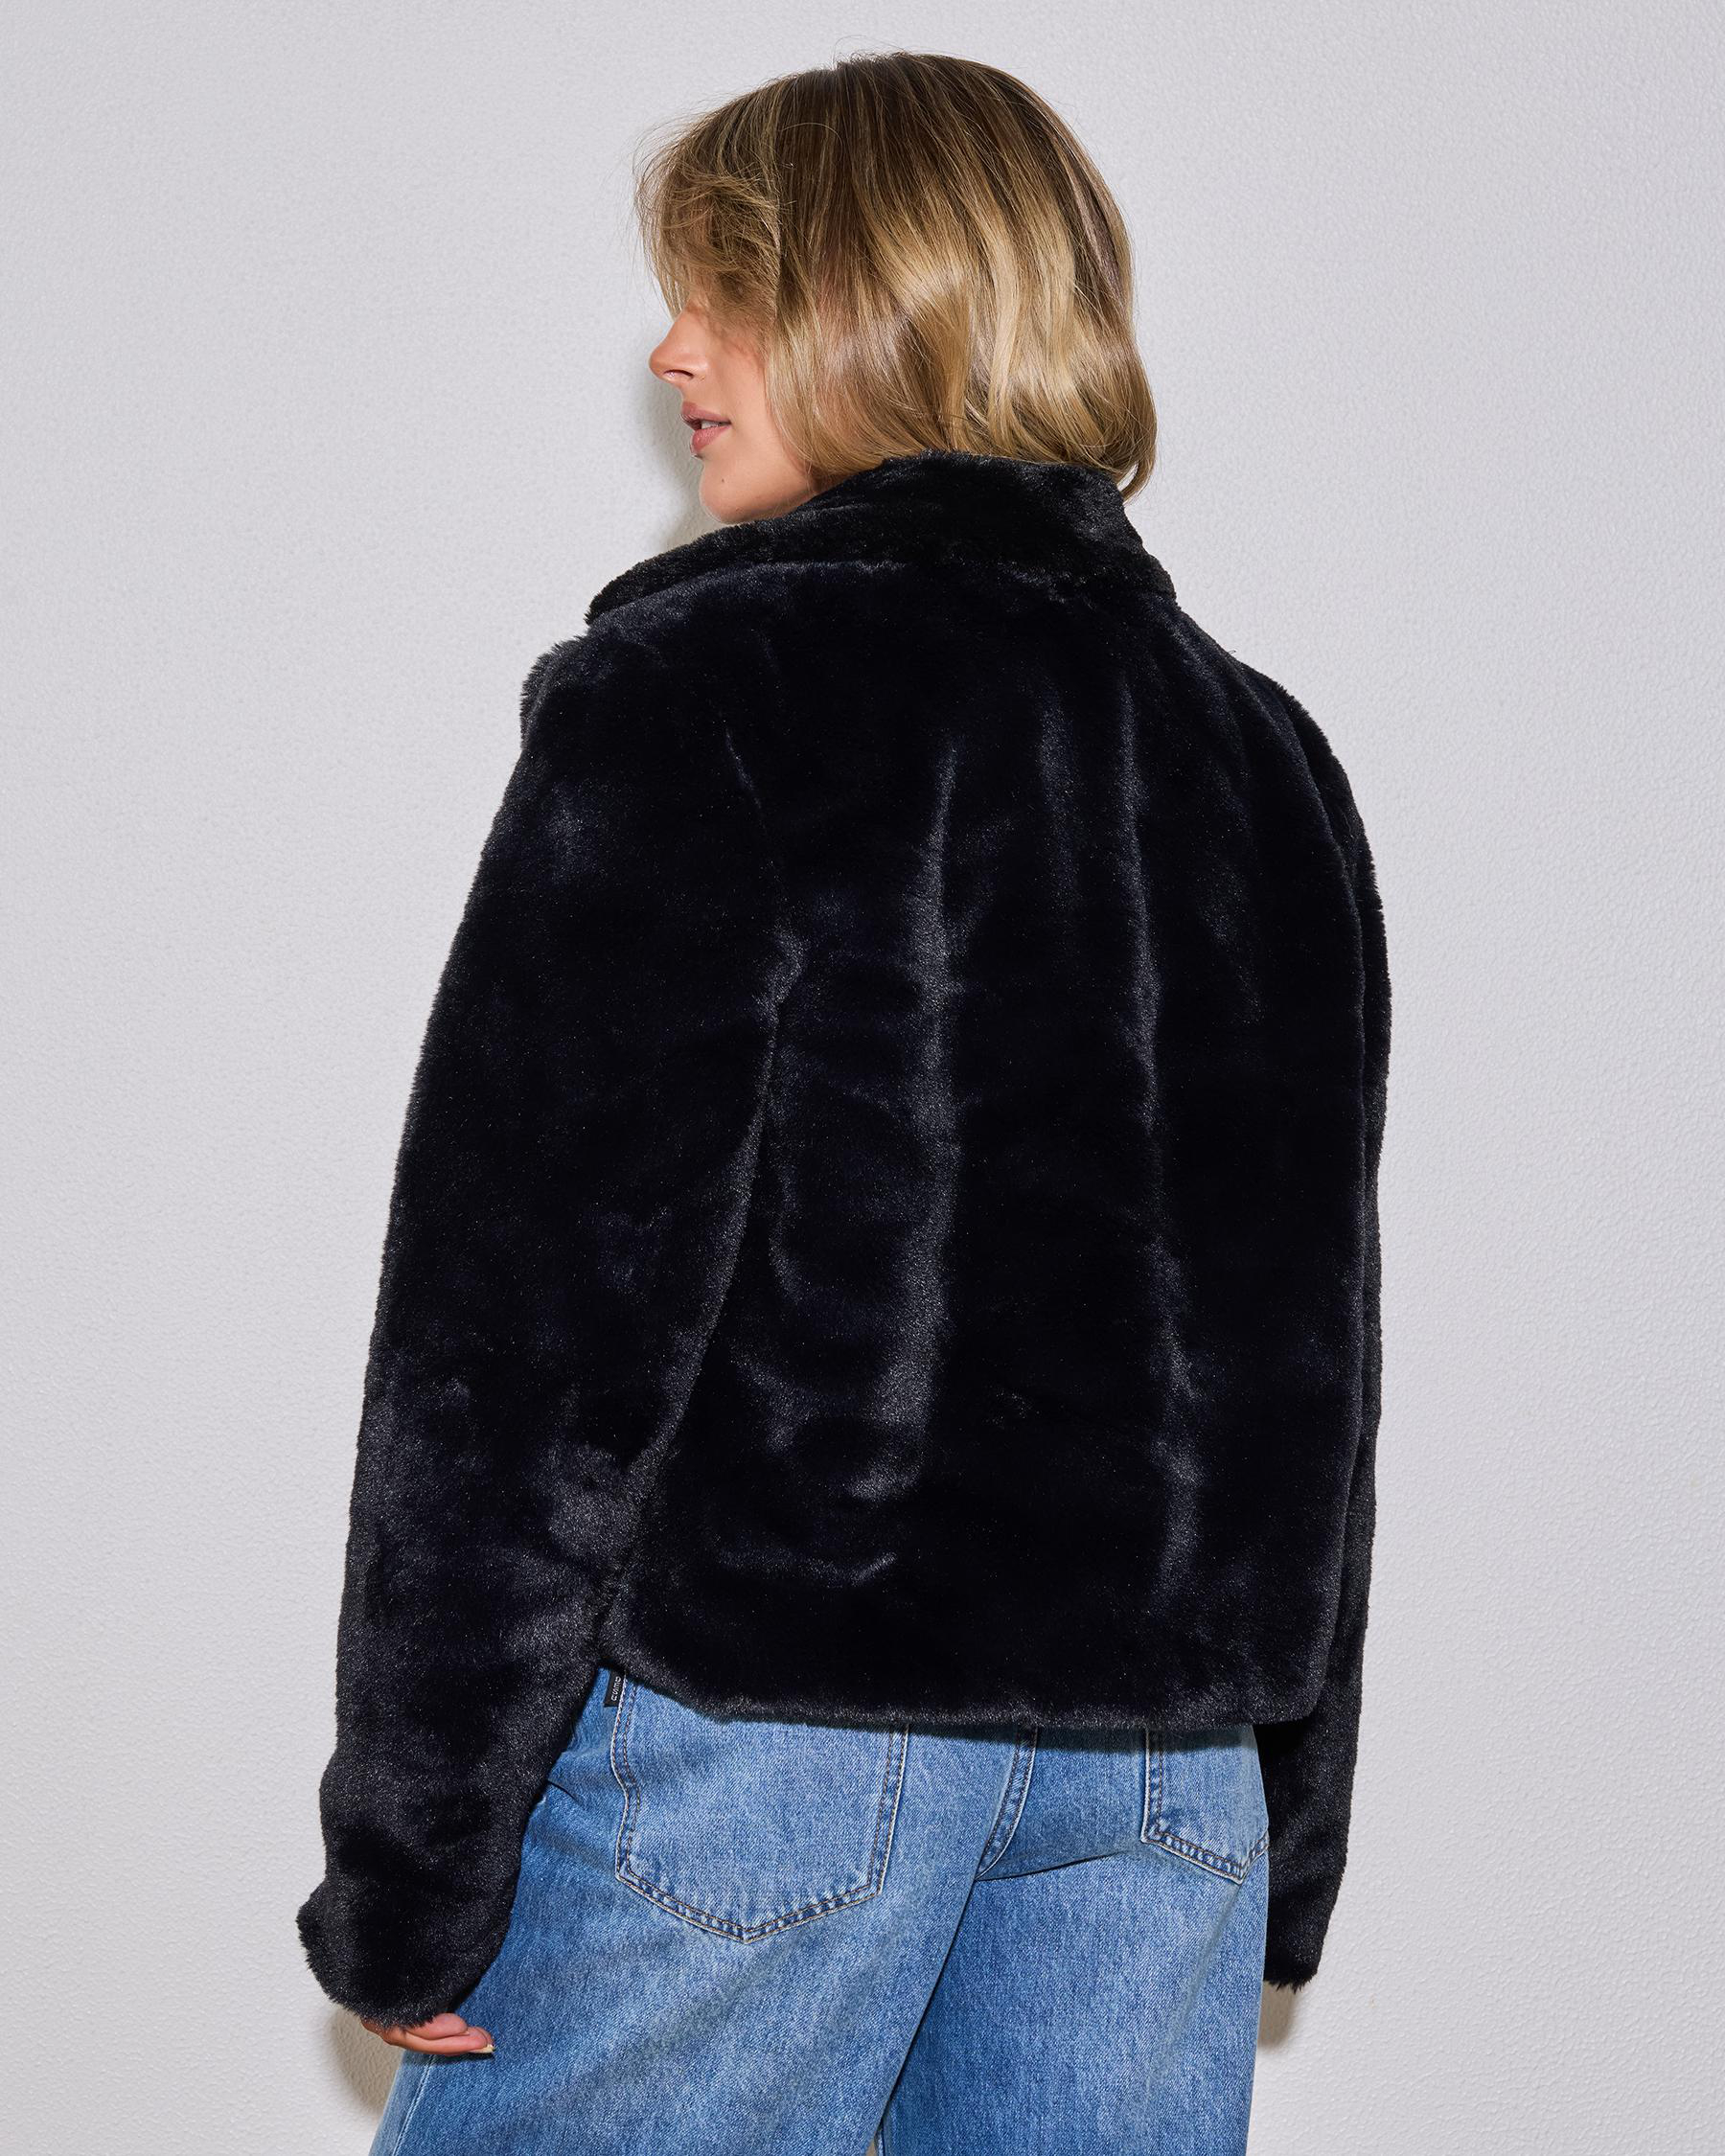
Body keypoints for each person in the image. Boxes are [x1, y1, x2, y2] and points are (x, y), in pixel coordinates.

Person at [297, 50, 1391, 2156]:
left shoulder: (701, 696)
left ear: (872, 309)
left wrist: (412, 1857)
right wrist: (1293, 1809)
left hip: (780, 1750)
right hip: (1163, 1785)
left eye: (723, 292)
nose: (670, 349)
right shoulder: (1263, 757)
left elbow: (522, 1339)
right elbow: (1305, 1340)